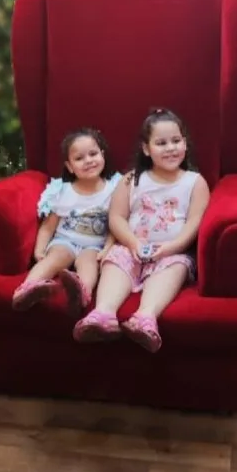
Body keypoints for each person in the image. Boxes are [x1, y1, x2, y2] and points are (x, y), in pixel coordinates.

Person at [74, 108, 210, 353]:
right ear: (146, 149)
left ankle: (145, 317)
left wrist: (172, 247)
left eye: (176, 141)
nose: (170, 148)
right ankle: (103, 313)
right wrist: (132, 243)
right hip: (132, 247)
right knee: (115, 259)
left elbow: (194, 223)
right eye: (161, 143)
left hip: (170, 253)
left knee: (177, 267)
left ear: (185, 143)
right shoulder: (133, 179)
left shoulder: (195, 182)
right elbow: (116, 217)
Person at [12, 128, 120, 313]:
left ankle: (81, 293)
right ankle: (27, 290)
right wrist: (39, 251)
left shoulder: (114, 189)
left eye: (93, 154)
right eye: (79, 158)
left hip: (94, 246)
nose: (88, 161)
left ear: (102, 155)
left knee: (89, 264)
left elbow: (115, 225)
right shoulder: (62, 190)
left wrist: (108, 248)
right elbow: (48, 226)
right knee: (55, 258)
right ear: (70, 166)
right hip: (64, 241)